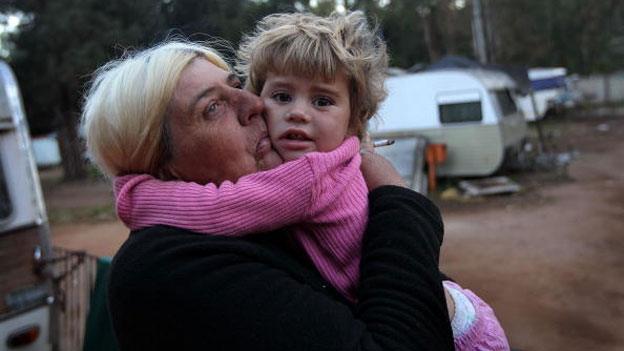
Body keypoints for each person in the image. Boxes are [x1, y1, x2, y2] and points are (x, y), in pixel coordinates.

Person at [112, 12, 509, 350]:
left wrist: (141, 196)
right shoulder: (166, 266)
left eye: (236, 87)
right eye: (214, 107)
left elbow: (222, 207)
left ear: (355, 120)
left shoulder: (309, 177)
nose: (254, 105)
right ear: (159, 159)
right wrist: (396, 196)